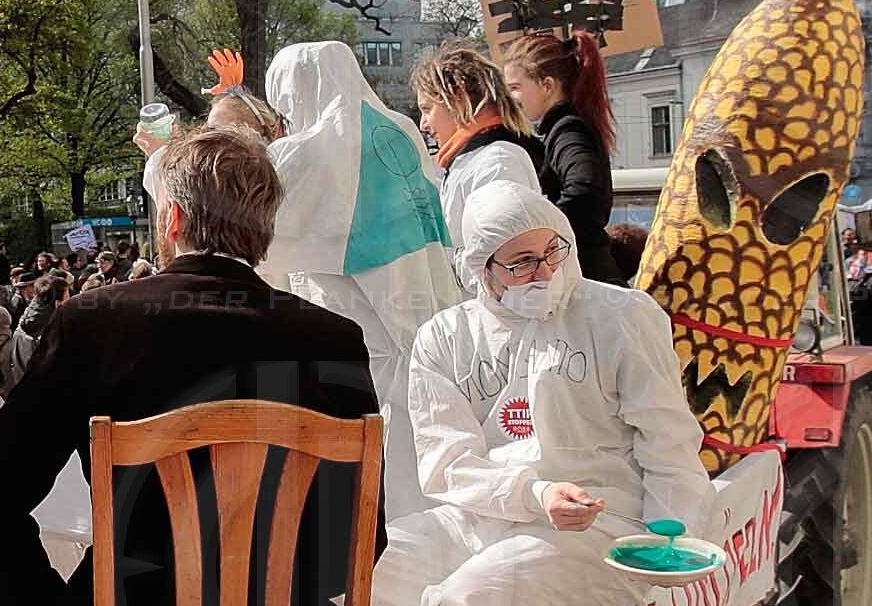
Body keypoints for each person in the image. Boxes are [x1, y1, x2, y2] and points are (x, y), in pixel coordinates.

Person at [0, 129, 378, 606]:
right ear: (262, 229)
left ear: (174, 217)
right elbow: (366, 531)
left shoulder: (95, 325)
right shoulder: (332, 338)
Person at [369, 182, 719, 606]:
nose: (547, 271)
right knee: (365, 585)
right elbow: (448, 466)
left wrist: (669, 535)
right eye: (523, 262)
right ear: (481, 269)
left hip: (605, 521)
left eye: (554, 248)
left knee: (463, 601)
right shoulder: (445, 339)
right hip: (482, 516)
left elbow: (668, 439)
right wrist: (534, 495)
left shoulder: (619, 318)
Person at [261, 39, 464, 520]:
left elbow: (264, 254)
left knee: (373, 495)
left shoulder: (301, 155)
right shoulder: (403, 130)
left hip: (356, 344)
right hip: (434, 332)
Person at [496, 28, 625, 286]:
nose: (510, 98)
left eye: (515, 88)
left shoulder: (568, 131)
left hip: (586, 276)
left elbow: (584, 191)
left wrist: (538, 238)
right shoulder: (566, 127)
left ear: (547, 85)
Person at [411, 45, 554, 241]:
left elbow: (503, 251)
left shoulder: (497, 162)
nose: (423, 124)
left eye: (427, 109)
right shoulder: (470, 160)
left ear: (458, 100)